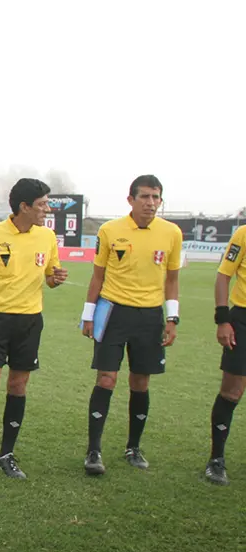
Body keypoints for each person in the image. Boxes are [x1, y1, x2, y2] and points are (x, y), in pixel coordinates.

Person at [80, 175, 182, 475]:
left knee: (141, 382)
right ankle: (93, 451)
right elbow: (97, 275)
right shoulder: (110, 230)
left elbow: (173, 279)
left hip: (150, 317)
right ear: (130, 200)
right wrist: (88, 315)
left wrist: (172, 318)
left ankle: (133, 447)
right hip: (113, 313)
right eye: (145, 197)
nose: (151, 203)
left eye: (156, 197)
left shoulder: (172, 233)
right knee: (106, 379)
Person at [0, 178, 67, 479]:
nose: (47, 210)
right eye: (42, 205)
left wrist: (56, 279)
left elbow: (50, 277)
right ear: (24, 207)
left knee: (18, 386)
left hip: (29, 322)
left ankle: (6, 453)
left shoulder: (47, 237)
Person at [206, 223, 246, 485]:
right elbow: (223, 275)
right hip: (242, 319)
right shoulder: (243, 234)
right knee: (232, 391)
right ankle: (216, 459)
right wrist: (222, 318)